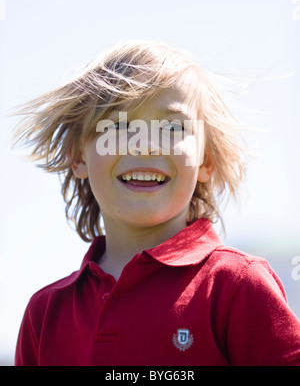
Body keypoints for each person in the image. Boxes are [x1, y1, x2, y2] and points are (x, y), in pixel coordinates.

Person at [13, 40, 300, 366]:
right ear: (78, 157)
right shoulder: (45, 313)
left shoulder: (237, 286)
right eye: (118, 126)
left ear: (206, 160)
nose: (145, 145)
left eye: (172, 127)